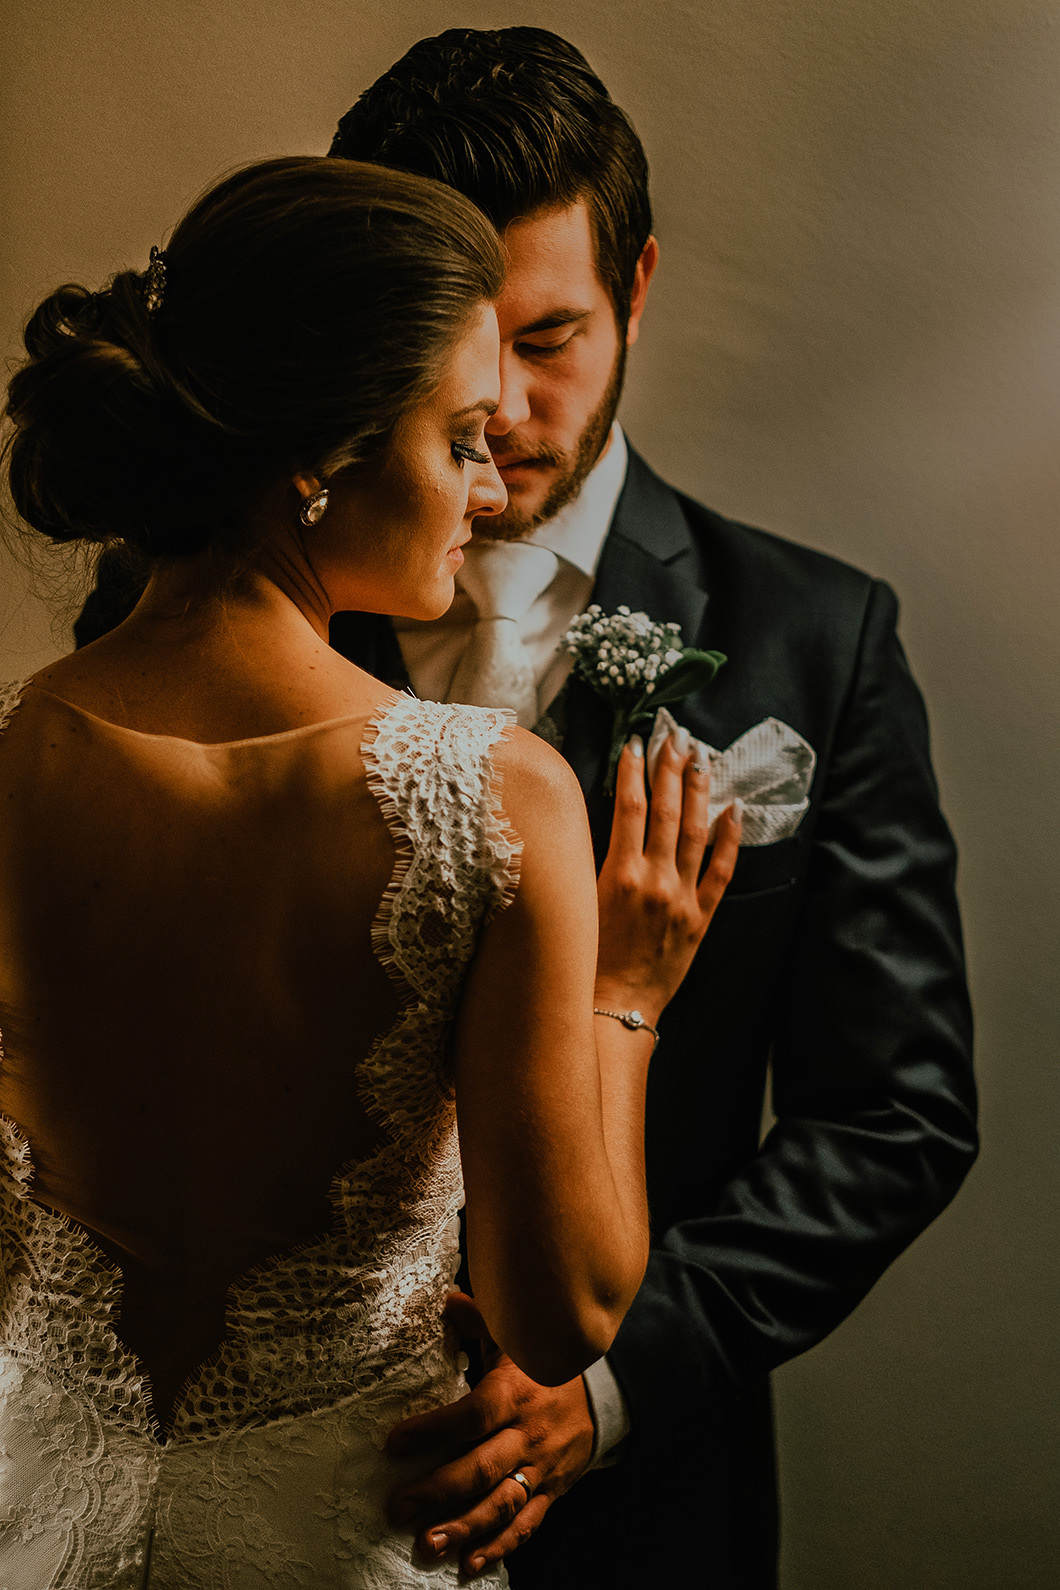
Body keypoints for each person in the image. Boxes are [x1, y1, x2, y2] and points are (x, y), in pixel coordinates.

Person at [73, 30, 978, 1587]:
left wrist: (604, 1390)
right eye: (456, 353)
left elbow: (895, 1109)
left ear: (635, 291)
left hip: (650, 1518)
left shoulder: (819, 642)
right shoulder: (176, 611)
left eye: (549, 338)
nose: (500, 407)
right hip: (262, 1476)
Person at [0, 154, 741, 1587]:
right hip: (333, 1536)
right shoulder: (493, 799)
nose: (487, 484)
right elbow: (564, 1308)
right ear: (321, 452)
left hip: (46, 1524)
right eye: (460, 435)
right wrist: (625, 1002)